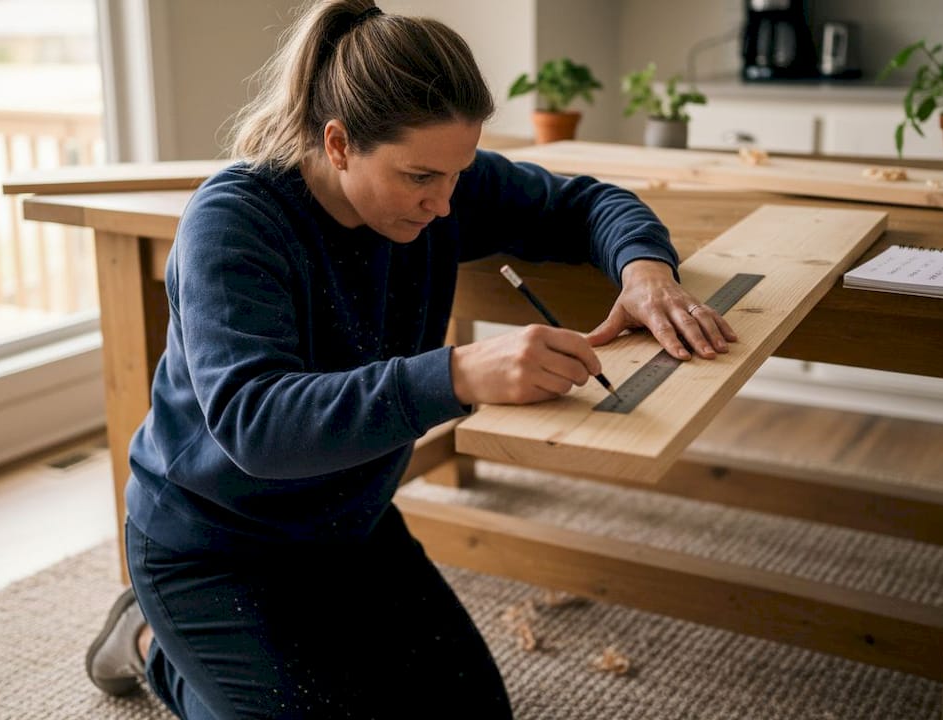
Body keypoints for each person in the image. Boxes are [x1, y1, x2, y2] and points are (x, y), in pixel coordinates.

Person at [84, 1, 737, 717]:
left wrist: (646, 270)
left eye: (457, 174)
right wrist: (460, 374)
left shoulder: (439, 181)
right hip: (214, 545)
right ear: (337, 145)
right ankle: (146, 639)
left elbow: (583, 203)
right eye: (420, 178)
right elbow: (255, 425)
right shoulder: (234, 223)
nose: (445, 204)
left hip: (348, 526)